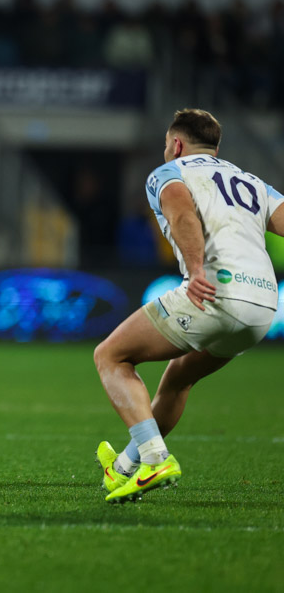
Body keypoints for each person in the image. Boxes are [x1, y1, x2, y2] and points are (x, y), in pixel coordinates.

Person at [94, 109, 284, 504]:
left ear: (176, 144)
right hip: (264, 306)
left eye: (167, 145)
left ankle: (156, 458)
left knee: (111, 355)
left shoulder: (170, 172)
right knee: (179, 377)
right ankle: (127, 466)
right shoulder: (252, 182)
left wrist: (196, 269)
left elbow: (181, 213)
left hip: (215, 291)